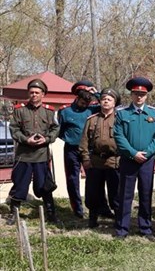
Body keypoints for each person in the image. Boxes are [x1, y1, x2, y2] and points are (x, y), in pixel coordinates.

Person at [113, 77, 155, 241]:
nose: (139, 97)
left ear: (147, 95)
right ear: (131, 95)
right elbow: (119, 136)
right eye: (136, 93)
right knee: (125, 195)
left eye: (142, 94)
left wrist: (147, 153)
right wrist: (133, 153)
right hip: (129, 160)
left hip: (147, 161)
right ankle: (122, 229)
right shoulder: (122, 114)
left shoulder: (154, 114)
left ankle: (145, 227)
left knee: (146, 193)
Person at [6, 79, 60, 225]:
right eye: (31, 92)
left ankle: (51, 214)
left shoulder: (49, 111)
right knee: (19, 185)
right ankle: (13, 213)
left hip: (42, 155)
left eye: (37, 92)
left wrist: (47, 139)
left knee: (45, 186)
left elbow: (55, 128)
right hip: (24, 155)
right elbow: (14, 129)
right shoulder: (20, 110)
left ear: (43, 94)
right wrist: (25, 139)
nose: (34, 95)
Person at [79, 88, 122, 228]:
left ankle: (118, 220)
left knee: (115, 192)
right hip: (95, 162)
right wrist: (85, 159)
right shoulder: (92, 120)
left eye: (109, 99)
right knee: (93, 192)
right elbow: (84, 141)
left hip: (114, 161)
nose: (105, 101)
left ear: (114, 103)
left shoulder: (120, 119)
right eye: (103, 99)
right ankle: (93, 219)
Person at [58, 80, 100, 218]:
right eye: (83, 101)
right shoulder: (65, 111)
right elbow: (59, 130)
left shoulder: (93, 109)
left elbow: (113, 104)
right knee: (72, 179)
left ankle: (94, 207)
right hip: (71, 149)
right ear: (77, 97)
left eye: (87, 102)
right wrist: (69, 139)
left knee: (93, 179)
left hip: (89, 150)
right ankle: (77, 209)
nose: (85, 105)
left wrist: (97, 93)